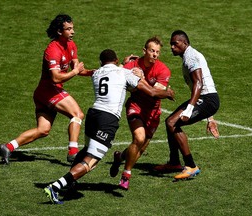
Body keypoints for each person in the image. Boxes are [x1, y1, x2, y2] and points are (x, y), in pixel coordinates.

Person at [44, 49, 174, 204]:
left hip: (93, 114)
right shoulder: (124, 73)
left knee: (86, 149)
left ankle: (71, 182)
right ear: (116, 59)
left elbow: (98, 71)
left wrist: (123, 65)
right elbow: (152, 92)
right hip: (108, 119)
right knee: (91, 161)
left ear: (101, 62)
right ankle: (56, 186)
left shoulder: (98, 72)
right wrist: (167, 93)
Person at [0, 14, 94, 164]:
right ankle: (73, 152)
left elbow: (79, 69)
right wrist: (75, 72)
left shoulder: (71, 45)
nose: (72, 32)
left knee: (43, 129)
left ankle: (8, 147)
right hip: (49, 91)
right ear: (59, 31)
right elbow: (56, 77)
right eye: (68, 29)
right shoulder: (52, 50)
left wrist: (97, 72)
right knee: (77, 114)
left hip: (44, 93)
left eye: (72, 28)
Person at [109, 36, 174, 190]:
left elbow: (156, 93)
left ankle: (120, 157)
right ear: (144, 51)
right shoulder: (131, 66)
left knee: (141, 148)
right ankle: (126, 175)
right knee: (139, 138)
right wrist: (126, 67)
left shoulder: (163, 70)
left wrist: (141, 79)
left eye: (158, 52)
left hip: (153, 112)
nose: (155, 54)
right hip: (136, 106)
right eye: (152, 51)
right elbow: (120, 81)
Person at [154, 30, 220, 180]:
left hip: (207, 98)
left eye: (175, 43)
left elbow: (199, 83)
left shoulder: (191, 57)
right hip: (204, 98)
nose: (171, 47)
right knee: (169, 122)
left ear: (185, 43)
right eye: (171, 44)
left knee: (172, 122)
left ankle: (191, 166)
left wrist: (189, 110)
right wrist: (210, 119)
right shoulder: (188, 56)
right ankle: (174, 162)